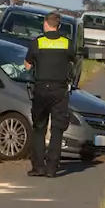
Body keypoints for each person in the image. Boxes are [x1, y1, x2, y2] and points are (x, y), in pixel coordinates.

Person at [24, 11, 78, 177]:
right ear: (59, 26)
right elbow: (74, 62)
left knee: (39, 128)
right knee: (57, 129)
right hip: (59, 90)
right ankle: (52, 168)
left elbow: (27, 65)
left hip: (41, 89)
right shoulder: (66, 43)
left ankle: (38, 166)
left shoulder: (37, 42)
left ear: (45, 24)